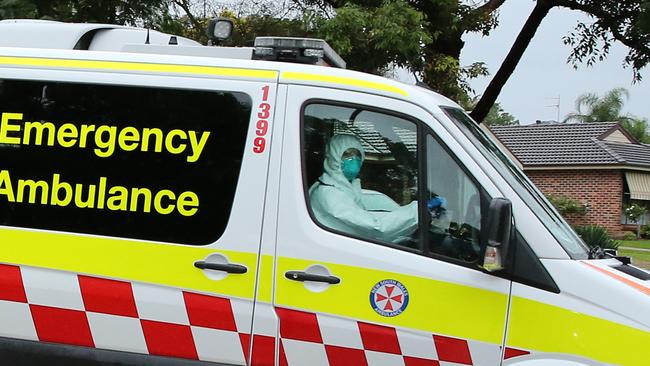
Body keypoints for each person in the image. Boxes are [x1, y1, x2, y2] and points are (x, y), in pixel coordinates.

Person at [309, 134, 446, 243]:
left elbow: (365, 221)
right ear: (334, 157)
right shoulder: (330, 194)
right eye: (347, 155)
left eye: (357, 155)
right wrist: (420, 211)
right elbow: (376, 227)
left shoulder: (343, 189)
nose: (354, 160)